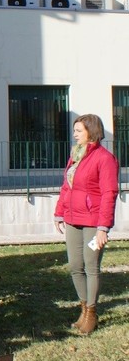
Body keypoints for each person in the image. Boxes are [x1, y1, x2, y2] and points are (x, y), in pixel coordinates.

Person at [54, 114, 119, 335]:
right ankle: (83, 307)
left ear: (91, 131)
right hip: (73, 220)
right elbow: (66, 187)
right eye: (74, 131)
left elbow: (109, 193)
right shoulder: (75, 156)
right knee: (75, 266)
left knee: (91, 267)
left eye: (79, 131)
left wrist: (103, 228)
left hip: (93, 222)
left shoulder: (105, 158)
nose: (75, 134)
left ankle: (91, 312)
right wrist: (59, 213)